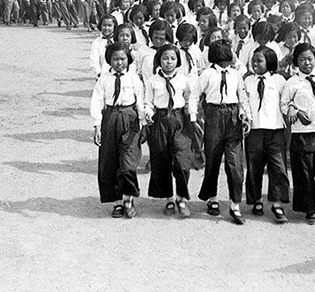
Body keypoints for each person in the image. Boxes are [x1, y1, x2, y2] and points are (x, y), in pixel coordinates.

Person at [189, 39, 252, 225]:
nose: (231, 57)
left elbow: (242, 98)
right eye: (229, 54)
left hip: (232, 117)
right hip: (214, 116)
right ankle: (212, 198)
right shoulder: (207, 74)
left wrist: (246, 116)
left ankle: (235, 205)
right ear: (222, 56)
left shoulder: (235, 74)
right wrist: (193, 118)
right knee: (213, 159)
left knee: (235, 164)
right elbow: (194, 96)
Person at [90, 42, 146, 218]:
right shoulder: (104, 79)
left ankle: (128, 198)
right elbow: (97, 102)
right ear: (109, 60)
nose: (119, 62)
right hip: (110, 119)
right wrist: (97, 125)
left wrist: (143, 123)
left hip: (130, 119)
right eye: (115, 59)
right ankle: (117, 202)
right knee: (110, 161)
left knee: (128, 162)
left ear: (128, 59)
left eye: (122, 58)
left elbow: (140, 101)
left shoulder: (133, 78)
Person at [281, 42, 315, 224]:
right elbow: (284, 104)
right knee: (305, 174)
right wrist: (294, 110)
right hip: (302, 134)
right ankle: (310, 210)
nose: (307, 63)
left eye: (310, 59)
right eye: (302, 59)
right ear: (296, 61)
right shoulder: (292, 83)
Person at [143, 44, 194, 217]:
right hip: (160, 121)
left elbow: (189, 99)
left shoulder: (183, 80)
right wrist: (148, 113)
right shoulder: (152, 81)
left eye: (172, 58)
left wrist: (191, 115)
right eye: (165, 58)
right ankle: (169, 199)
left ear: (178, 60)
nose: (169, 62)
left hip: (179, 120)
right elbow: (148, 102)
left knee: (182, 161)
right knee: (161, 160)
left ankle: (182, 198)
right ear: (159, 60)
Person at [243, 46, 290, 223]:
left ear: (269, 62)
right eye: (253, 60)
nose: (255, 63)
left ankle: (277, 204)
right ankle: (256, 200)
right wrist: (246, 118)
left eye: (259, 60)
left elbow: (285, 102)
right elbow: (244, 103)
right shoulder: (248, 81)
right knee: (254, 167)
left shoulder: (279, 81)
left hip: (276, 130)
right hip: (254, 131)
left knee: (278, 168)